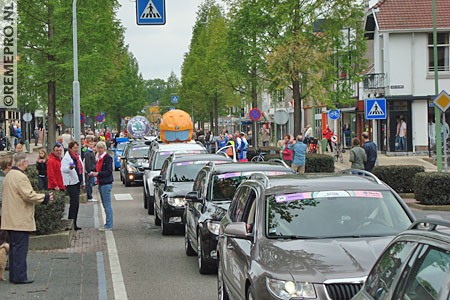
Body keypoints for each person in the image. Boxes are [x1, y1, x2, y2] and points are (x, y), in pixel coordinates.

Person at [1, 153, 52, 284]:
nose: (28, 165)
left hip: (10, 218)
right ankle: (20, 276)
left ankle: (14, 275)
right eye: (27, 162)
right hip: (19, 219)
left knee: (13, 248)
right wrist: (44, 197)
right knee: (20, 249)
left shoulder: (9, 176)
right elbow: (28, 195)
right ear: (22, 163)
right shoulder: (20, 177)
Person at [61, 141, 84, 231]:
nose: (76, 150)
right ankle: (71, 222)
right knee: (74, 202)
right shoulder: (67, 158)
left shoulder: (77, 157)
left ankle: (75, 223)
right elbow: (63, 169)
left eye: (77, 148)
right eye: (74, 148)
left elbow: (81, 168)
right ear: (70, 148)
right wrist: (69, 168)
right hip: (71, 182)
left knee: (76, 203)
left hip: (77, 181)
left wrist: (83, 182)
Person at [91, 141, 114, 231]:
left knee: (107, 205)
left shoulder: (107, 158)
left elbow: (108, 171)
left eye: (101, 148)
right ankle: (108, 223)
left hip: (106, 183)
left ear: (104, 149)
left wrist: (98, 174)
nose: (100, 150)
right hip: (101, 183)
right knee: (105, 204)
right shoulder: (98, 158)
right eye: (98, 148)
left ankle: (109, 224)